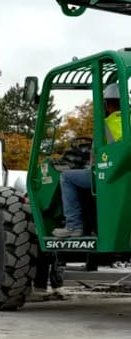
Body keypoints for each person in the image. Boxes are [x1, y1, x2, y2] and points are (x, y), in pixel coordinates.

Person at [52, 82, 123, 237]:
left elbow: (97, 155)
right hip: (123, 175)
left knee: (67, 177)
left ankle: (73, 226)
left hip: (110, 175)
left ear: (107, 105)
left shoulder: (105, 124)